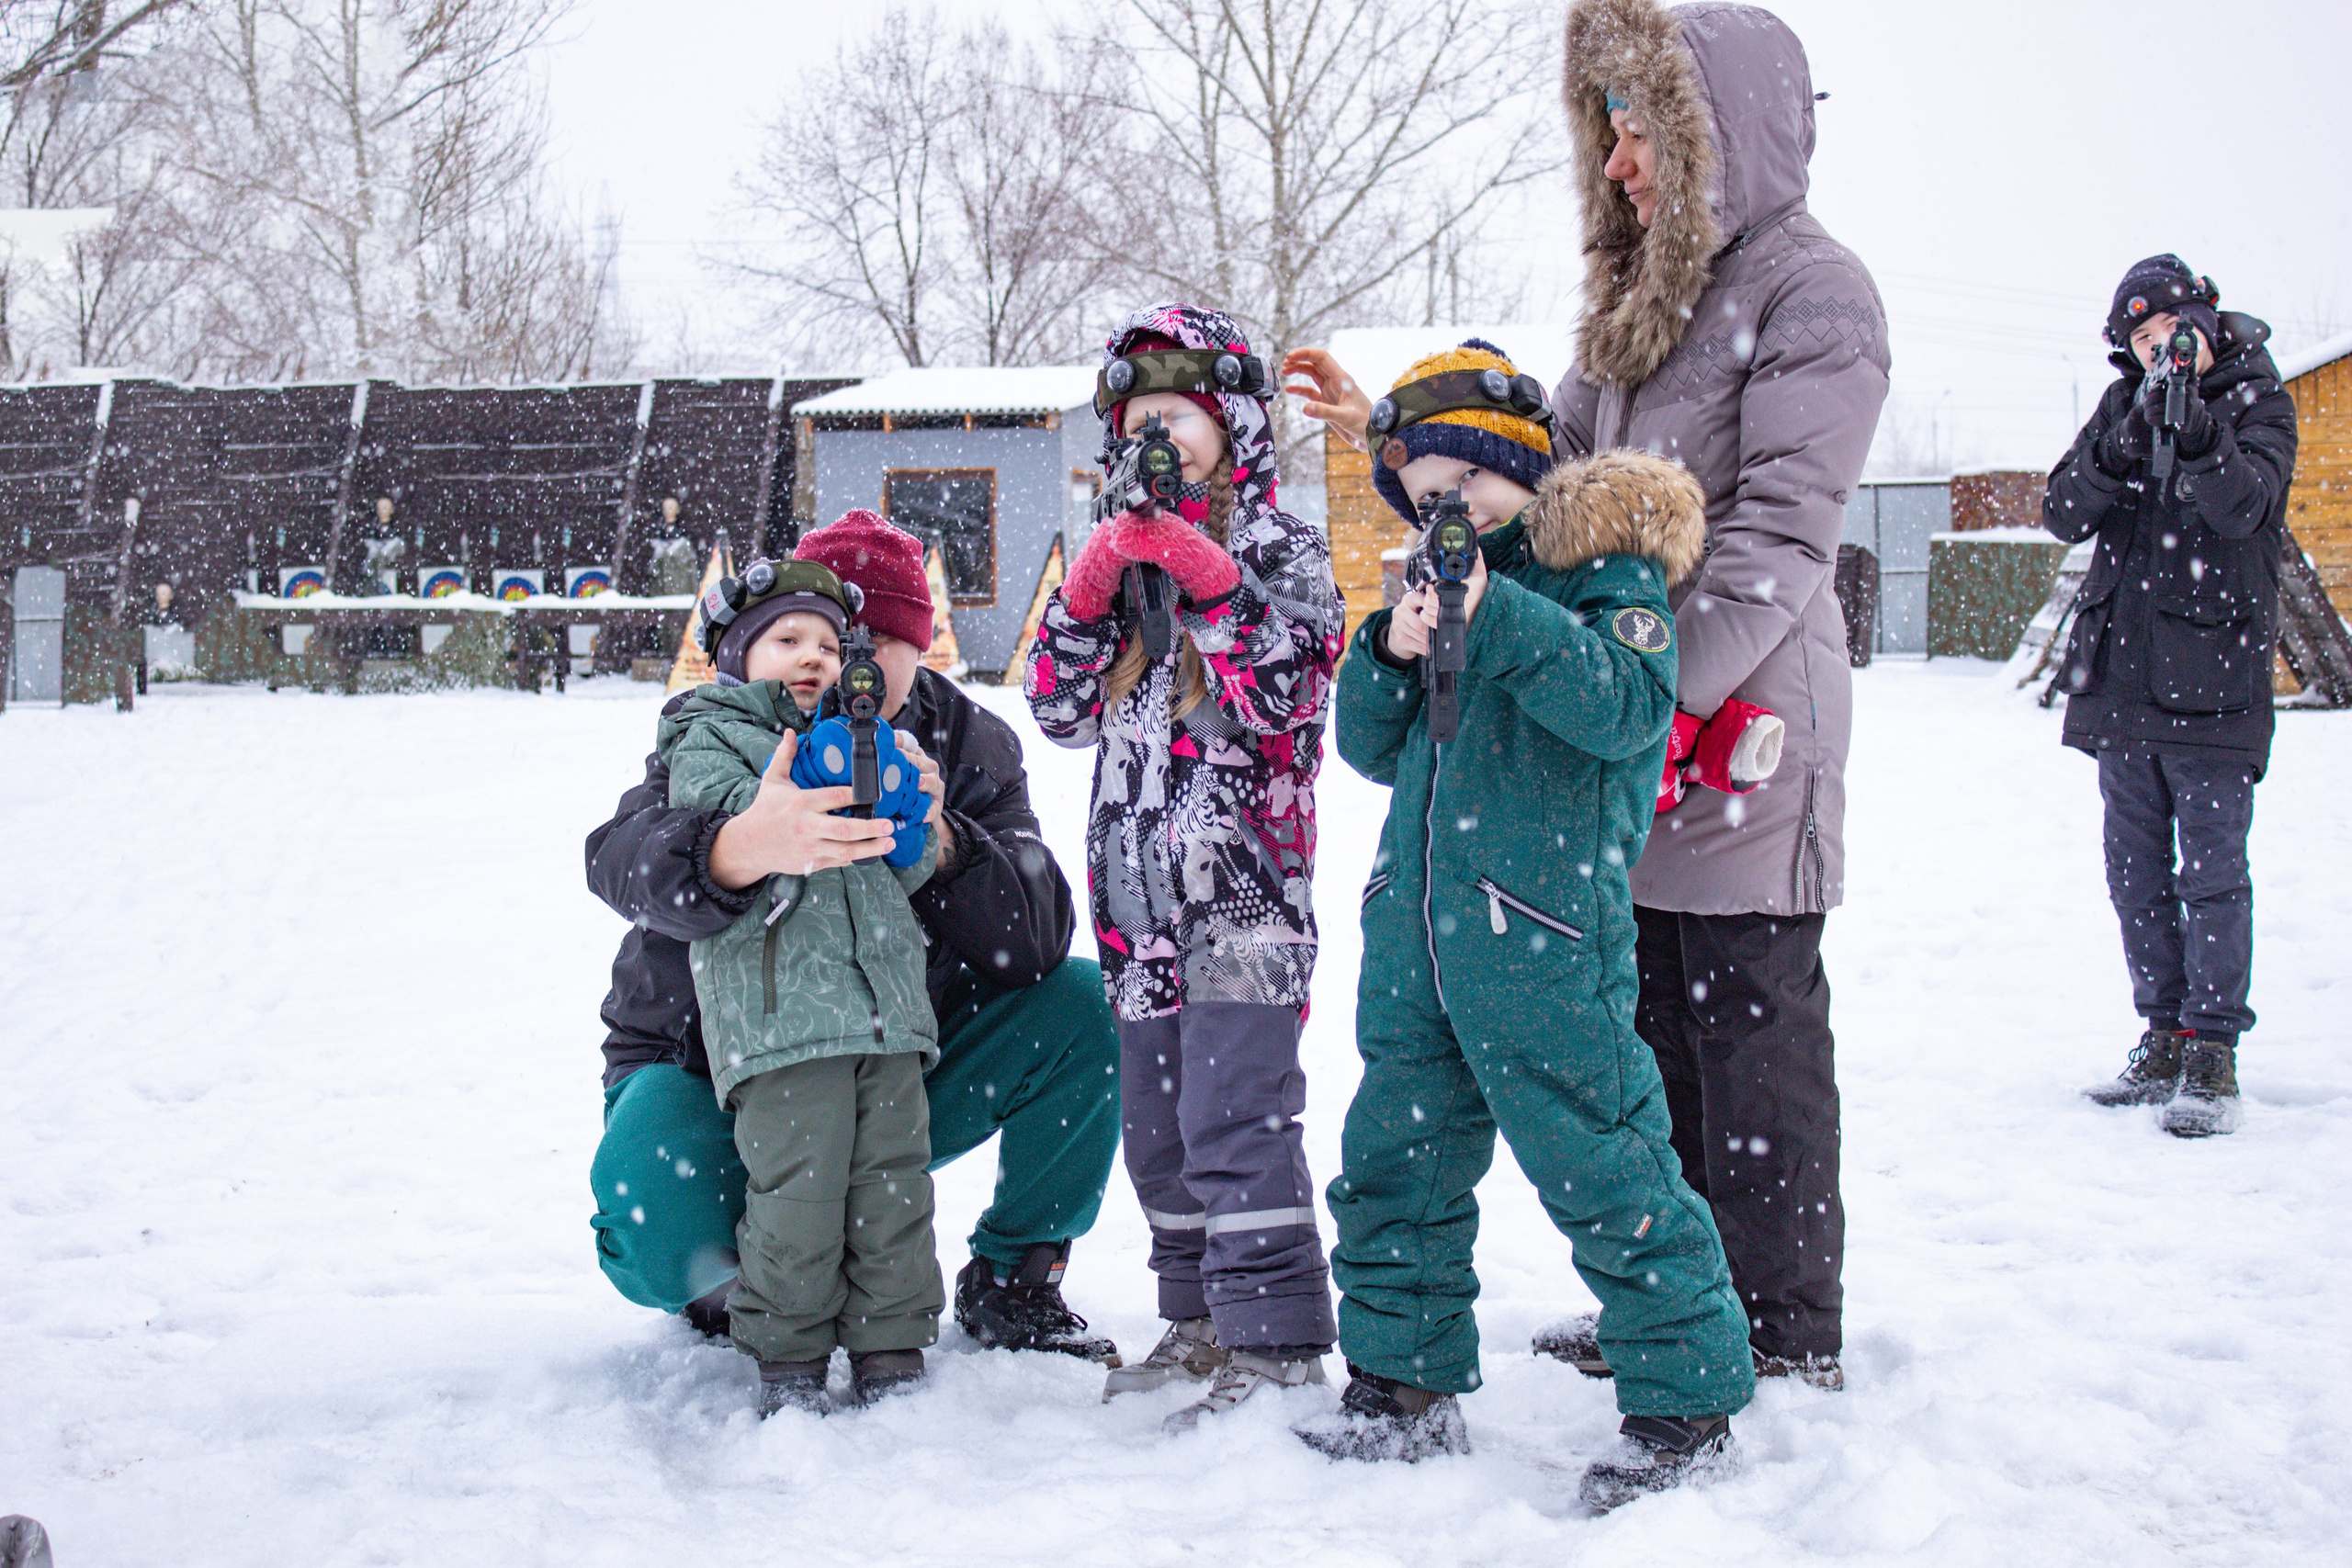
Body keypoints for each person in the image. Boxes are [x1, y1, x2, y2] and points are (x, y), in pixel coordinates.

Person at [1283, 0, 1886, 1393]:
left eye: (1640, 130)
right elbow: (1528, 471)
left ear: (1715, 132)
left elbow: (1781, 536)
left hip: (1734, 711)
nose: (1616, 162)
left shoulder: (1815, 293)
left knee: (1749, 1011)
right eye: (1605, 131)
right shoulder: (1635, 304)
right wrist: (1399, 437)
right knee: (1645, 1010)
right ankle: (1676, 1306)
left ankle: (1780, 1321)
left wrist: (1652, 692)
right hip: (1600, 706)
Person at [1290, 342, 1754, 1509]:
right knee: (1394, 1163)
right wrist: (1388, 650)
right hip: (1417, 939)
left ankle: (1684, 1401)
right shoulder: (1425, 585)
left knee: (1603, 1158)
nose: (1451, 505)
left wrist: (1494, 618)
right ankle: (1399, 1380)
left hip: (1543, 937)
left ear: (1524, 467)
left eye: (1470, 478)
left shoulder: (1597, 571)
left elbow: (1625, 709)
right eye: (1425, 491)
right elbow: (1369, 748)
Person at [584, 511, 1123, 1370]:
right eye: (810, 636)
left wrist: (941, 842)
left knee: (1083, 1008)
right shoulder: (725, 724)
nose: (840, 661)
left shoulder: (965, 744)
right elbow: (617, 860)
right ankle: (731, 1281)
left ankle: (1016, 1276)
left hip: (892, 1067)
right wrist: (736, 847)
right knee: (655, 1216)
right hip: (711, 1068)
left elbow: (1036, 938)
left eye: (874, 640)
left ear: (921, 643)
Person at [1025, 302, 1345, 1428]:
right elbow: (1058, 711)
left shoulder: (1282, 548)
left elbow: (1288, 701)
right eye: (1138, 418)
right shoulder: (1112, 556)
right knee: (1159, 1127)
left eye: (1182, 414)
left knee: (1235, 1114)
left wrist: (1208, 577)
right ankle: (1199, 1320)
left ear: (1235, 426)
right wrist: (1088, 590)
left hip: (1247, 895)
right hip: (1134, 898)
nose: (1158, 434)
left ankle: (1278, 1340)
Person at [655, 556, 943, 1414]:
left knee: (893, 1185)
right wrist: (799, 787)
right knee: (797, 1194)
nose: (814, 655)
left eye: (827, 642)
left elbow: (901, 867)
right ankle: (788, 1356)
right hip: (783, 1015)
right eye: (788, 640)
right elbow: (715, 815)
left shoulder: (865, 733)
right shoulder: (711, 733)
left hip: (885, 1012)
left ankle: (892, 1343)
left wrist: (909, 816)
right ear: (736, 656)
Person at [2045, 255, 2298, 1138]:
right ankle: (2163, 1034)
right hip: (2123, 684)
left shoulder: (2258, 401)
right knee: (2136, 874)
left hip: (2216, 685)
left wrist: (2197, 436)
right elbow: (2061, 510)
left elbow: (2246, 508)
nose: (2160, 349)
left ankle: (2212, 1050)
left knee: (2213, 876)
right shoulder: (2123, 404)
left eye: (2171, 331)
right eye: (2143, 339)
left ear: (2206, 319)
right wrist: (2120, 446)